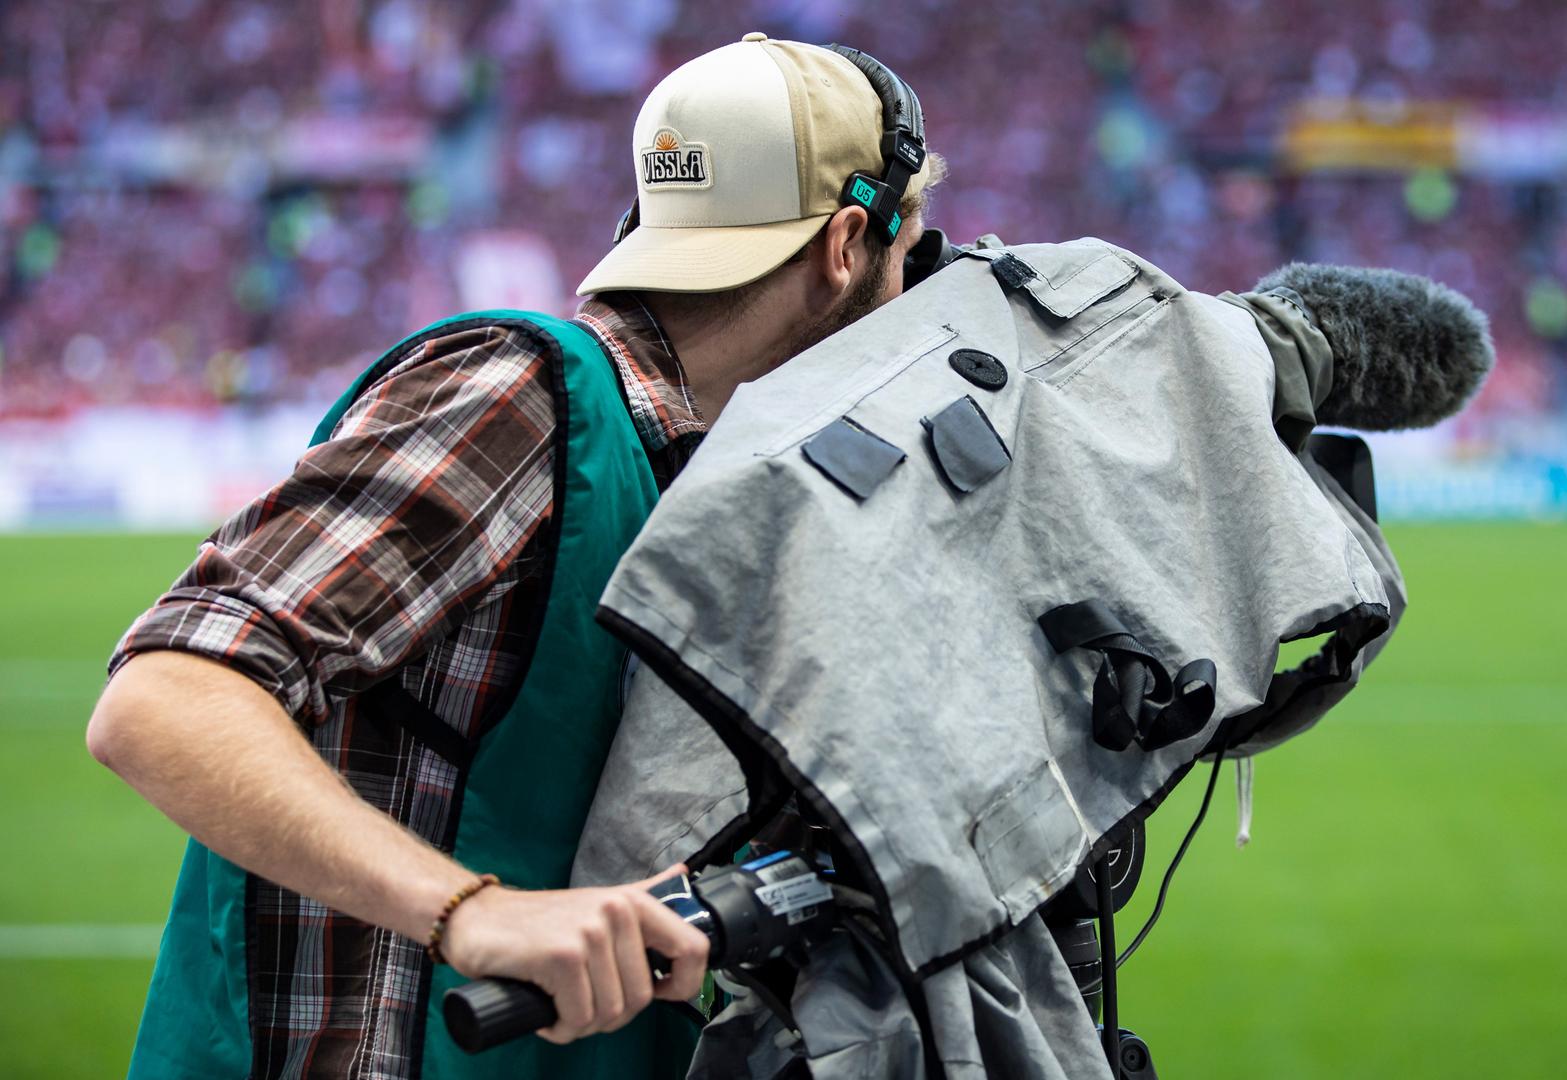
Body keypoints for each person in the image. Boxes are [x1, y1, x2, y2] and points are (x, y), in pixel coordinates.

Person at [84, 33, 942, 1080]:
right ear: (848, 243)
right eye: (908, 259)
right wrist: (473, 915)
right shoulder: (526, 397)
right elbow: (166, 693)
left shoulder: (680, 469)